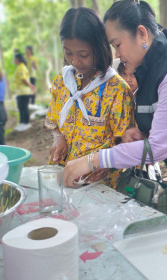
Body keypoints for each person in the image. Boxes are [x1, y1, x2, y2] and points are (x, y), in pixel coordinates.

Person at [63, 0, 167, 230]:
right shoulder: (145, 67)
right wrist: (142, 132)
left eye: (117, 44)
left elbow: (159, 148)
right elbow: (166, 124)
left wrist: (92, 160)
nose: (117, 53)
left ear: (141, 34)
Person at [45, 7, 134, 188]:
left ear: (99, 47)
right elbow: (54, 122)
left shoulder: (116, 90)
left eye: (83, 55)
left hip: (97, 183)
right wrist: (58, 138)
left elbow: (127, 145)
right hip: (62, 175)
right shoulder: (61, 82)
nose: (75, 61)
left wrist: (108, 165)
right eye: (68, 53)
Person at [14, 53, 35, 132]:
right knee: (21, 108)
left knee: (24, 107)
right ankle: (22, 123)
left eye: (14, 59)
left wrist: (31, 86)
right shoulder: (20, 67)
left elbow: (24, 79)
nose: (14, 60)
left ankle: (26, 123)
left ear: (18, 59)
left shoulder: (21, 67)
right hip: (21, 92)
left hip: (24, 92)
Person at [0, 67, 7, 145]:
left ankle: (0, 145)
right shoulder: (1, 78)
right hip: (0, 103)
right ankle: (2, 144)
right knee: (0, 125)